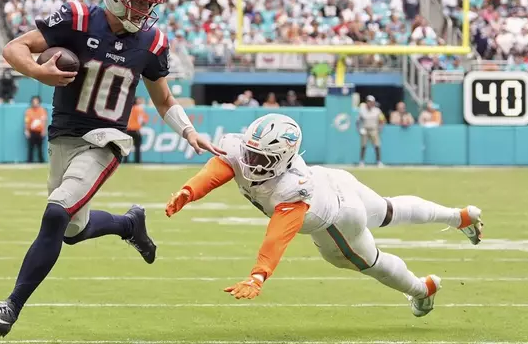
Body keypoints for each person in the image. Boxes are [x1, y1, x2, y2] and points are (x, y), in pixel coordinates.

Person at [0, 0, 224, 337]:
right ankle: (129, 224)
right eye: (137, 1)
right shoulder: (76, 18)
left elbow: (164, 99)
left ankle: (11, 306)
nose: (145, 11)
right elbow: (15, 48)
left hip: (105, 141)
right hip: (64, 136)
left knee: (56, 214)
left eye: (149, 3)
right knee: (73, 231)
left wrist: (189, 132)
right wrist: (38, 72)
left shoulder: (152, 41)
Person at [165, 114, 483, 316]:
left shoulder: (289, 189)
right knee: (389, 209)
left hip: (338, 219)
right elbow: (221, 166)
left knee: (369, 263)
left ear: (282, 157)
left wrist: (259, 274)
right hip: (334, 181)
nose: (250, 159)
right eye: (249, 150)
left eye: (259, 156)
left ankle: (422, 289)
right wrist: (190, 191)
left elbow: (279, 233)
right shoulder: (243, 150)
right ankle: (459, 217)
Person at [357, 95, 385, 167]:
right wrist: (360, 129)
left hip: (374, 129)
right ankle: (361, 162)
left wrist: (380, 128)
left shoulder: (377, 110)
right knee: (363, 145)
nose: (370, 103)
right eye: (369, 102)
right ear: (366, 102)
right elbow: (358, 121)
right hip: (365, 129)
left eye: (372, 102)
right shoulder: (362, 110)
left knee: (377, 145)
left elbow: (382, 120)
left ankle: (379, 161)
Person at [24, 96, 48, 163]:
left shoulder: (42, 110)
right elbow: (27, 122)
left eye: (36, 102)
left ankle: (41, 161)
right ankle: (29, 161)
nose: (35, 103)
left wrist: (44, 130)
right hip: (32, 132)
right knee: (30, 148)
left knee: (40, 148)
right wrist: (26, 130)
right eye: (34, 102)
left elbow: (44, 121)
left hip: (39, 132)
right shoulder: (29, 111)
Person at [126, 97, 148, 163]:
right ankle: (137, 161)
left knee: (127, 147)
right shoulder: (139, 109)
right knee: (137, 147)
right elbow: (143, 120)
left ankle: (125, 161)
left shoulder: (127, 109)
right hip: (136, 130)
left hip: (127, 130)